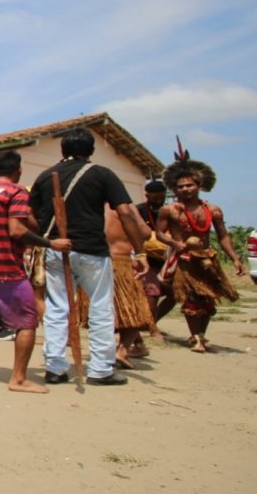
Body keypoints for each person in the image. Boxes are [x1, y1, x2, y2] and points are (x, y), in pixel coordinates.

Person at [29, 127, 149, 386]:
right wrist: (139, 251)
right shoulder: (102, 174)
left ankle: (55, 367)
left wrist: (44, 239)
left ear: (63, 150)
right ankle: (101, 369)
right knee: (100, 307)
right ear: (91, 151)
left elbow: (30, 215)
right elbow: (126, 213)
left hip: (56, 249)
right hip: (91, 250)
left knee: (57, 308)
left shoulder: (43, 177)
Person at [0, 150, 71, 393]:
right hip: (5, 266)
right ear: (18, 171)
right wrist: (51, 243)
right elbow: (17, 230)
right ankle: (18, 379)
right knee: (27, 322)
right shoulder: (17, 192)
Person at [155, 144, 242, 353]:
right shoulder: (170, 210)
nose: (185, 189)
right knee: (191, 298)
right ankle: (195, 337)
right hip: (184, 260)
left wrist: (235, 258)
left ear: (199, 185)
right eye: (180, 186)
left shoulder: (212, 210)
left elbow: (223, 236)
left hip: (207, 259)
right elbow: (158, 233)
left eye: (189, 185)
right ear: (174, 190)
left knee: (208, 298)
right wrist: (174, 243)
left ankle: (201, 335)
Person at [103, 205, 154, 369]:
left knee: (102, 311)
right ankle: (122, 350)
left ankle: (105, 352)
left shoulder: (86, 203)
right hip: (123, 260)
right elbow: (146, 233)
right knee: (135, 311)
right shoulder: (125, 206)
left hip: (95, 262)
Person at [137, 180, 175, 343]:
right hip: (148, 258)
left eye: (162, 197)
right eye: (156, 197)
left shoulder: (170, 211)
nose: (160, 200)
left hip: (168, 258)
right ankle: (152, 329)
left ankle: (151, 322)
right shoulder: (138, 211)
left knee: (174, 294)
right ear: (147, 196)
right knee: (153, 292)